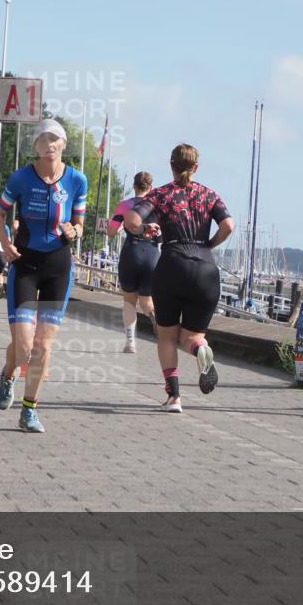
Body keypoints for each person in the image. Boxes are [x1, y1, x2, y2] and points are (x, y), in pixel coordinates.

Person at [0, 119, 88, 434]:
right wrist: (6, 244)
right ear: (35, 146)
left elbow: (80, 222)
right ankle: (8, 375)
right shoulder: (21, 178)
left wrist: (76, 230)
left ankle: (29, 410)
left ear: (63, 144)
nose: (49, 144)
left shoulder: (77, 180)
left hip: (58, 267)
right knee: (23, 347)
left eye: (54, 139)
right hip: (26, 265)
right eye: (42, 139)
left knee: (43, 346)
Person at [124, 144, 235, 413]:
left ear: (171, 165)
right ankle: (200, 350)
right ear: (196, 167)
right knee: (192, 336)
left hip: (172, 265)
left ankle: (174, 397)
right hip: (206, 269)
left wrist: (146, 228)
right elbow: (228, 225)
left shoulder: (160, 194)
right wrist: (209, 243)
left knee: (166, 336)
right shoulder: (210, 195)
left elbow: (130, 219)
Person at [107, 171, 160, 353]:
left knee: (129, 301)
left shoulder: (125, 205)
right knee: (147, 301)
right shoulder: (157, 206)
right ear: (150, 187)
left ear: (134, 186)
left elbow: (111, 232)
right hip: (152, 254)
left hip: (131, 252)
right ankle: (154, 316)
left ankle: (130, 343)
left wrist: (121, 225)